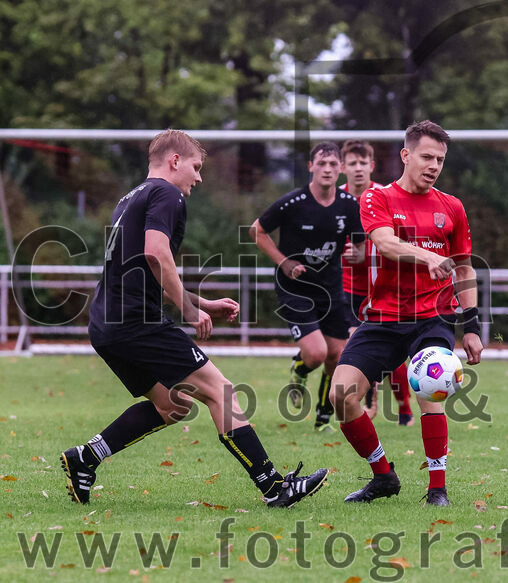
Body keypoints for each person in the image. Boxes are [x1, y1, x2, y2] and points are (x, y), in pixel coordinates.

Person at [60, 130, 327, 507]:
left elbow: (143, 270)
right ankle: (274, 487)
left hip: (107, 324)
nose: (198, 178)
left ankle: (85, 458)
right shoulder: (167, 193)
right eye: (196, 167)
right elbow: (156, 254)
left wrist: (202, 302)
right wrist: (188, 311)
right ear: (174, 161)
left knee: (172, 405)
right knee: (221, 391)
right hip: (137, 322)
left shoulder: (130, 198)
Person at [329, 120, 483, 506]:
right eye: (427, 157)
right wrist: (428, 256)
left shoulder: (452, 207)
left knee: (431, 388)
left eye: (440, 160)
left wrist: (472, 326)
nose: (434, 166)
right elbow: (385, 243)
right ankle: (383, 476)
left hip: (434, 316)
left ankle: (437, 488)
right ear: (405, 155)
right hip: (383, 317)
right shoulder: (377, 197)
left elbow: (464, 269)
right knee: (341, 395)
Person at [249, 142, 365, 431]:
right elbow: (257, 231)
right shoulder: (293, 202)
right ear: (311, 167)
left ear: (341, 169)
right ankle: (299, 369)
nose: (327, 169)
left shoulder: (349, 205)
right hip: (295, 289)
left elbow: (361, 245)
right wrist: (283, 262)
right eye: (321, 164)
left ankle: (323, 418)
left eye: (333, 164)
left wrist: (358, 254)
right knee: (316, 354)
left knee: (337, 355)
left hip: (331, 289)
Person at [336, 140, 414, 427]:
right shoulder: (335, 198)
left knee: (393, 352)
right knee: (348, 348)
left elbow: (395, 239)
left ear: (371, 166)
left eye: (363, 163)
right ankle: (360, 403)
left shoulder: (384, 196)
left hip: (380, 286)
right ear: (343, 167)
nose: (358, 168)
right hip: (345, 287)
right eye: (352, 163)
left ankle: (404, 408)